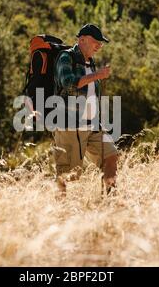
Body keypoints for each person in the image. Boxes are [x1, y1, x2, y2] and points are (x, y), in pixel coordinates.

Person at [53, 24, 118, 197]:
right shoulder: (66, 57)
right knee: (68, 174)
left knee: (111, 155)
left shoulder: (90, 62)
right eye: (96, 41)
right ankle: (60, 209)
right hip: (69, 124)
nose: (99, 45)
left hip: (93, 124)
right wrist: (97, 75)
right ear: (82, 40)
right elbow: (68, 82)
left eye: (101, 43)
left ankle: (110, 200)